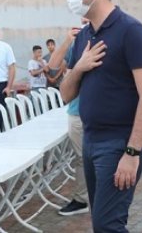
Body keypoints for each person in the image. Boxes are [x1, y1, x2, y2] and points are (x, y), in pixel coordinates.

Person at [60, 0, 142, 232]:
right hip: (91, 140)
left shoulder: (131, 31)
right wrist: (79, 67)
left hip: (119, 143)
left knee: (107, 225)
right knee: (103, 222)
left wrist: (132, 152)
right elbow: (66, 94)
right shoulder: (84, 37)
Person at [46, 22, 90, 216]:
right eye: (83, 22)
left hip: (100, 111)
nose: (85, 25)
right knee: (81, 158)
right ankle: (83, 198)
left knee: (101, 157)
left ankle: (94, 197)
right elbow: (53, 66)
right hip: (77, 110)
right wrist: (68, 40)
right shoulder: (76, 45)